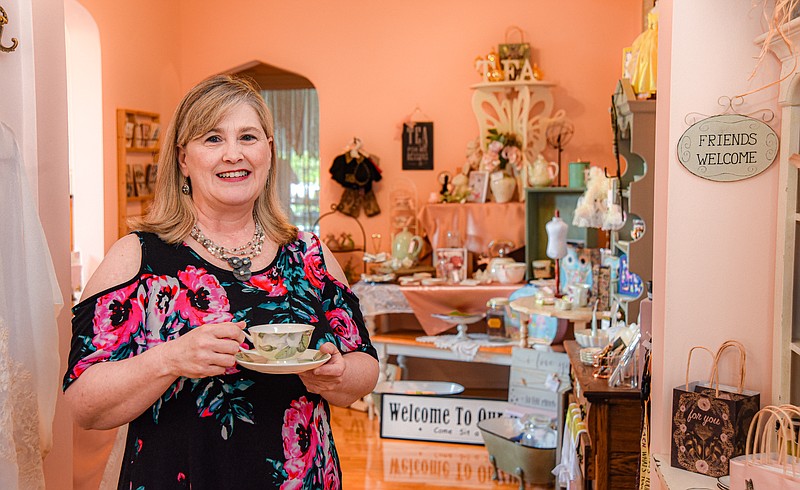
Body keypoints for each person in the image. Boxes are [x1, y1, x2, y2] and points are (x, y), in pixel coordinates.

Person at [63, 74, 380, 489]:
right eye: (212, 139)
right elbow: (83, 405)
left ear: (269, 151)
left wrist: (336, 374)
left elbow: (365, 367)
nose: (233, 154)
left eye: (248, 137)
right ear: (182, 158)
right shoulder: (138, 256)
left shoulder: (308, 255)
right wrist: (170, 359)